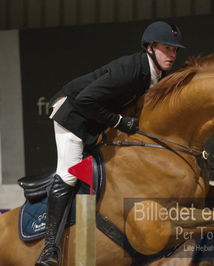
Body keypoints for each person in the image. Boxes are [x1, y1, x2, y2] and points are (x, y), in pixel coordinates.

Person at [35, 21, 185, 266]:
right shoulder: (130, 69)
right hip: (72, 115)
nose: (172, 54)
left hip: (94, 120)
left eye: (175, 50)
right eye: (166, 48)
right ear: (150, 48)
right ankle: (49, 248)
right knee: (70, 174)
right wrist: (120, 122)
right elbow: (85, 100)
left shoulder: (157, 75)